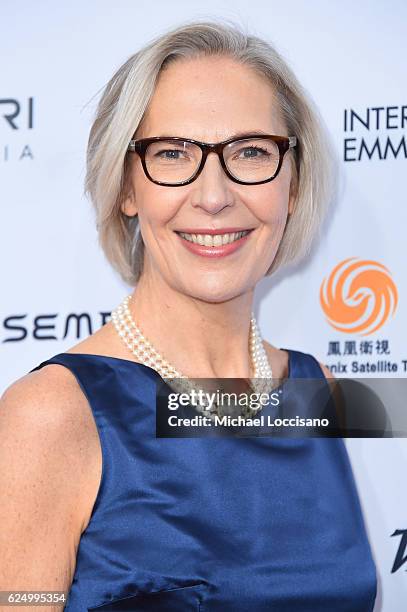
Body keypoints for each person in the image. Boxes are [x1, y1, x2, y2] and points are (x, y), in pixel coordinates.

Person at [0, 20, 377, 611]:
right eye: (173, 154)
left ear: (293, 184)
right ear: (127, 187)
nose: (213, 194)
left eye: (251, 152)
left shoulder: (314, 391)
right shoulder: (53, 415)